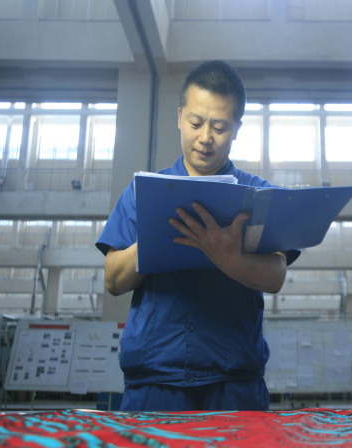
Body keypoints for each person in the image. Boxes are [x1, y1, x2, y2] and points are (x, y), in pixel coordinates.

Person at [96, 60, 301, 412]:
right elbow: (113, 280)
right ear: (179, 117)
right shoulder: (142, 193)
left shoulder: (260, 196)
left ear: (237, 128)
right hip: (155, 381)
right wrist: (157, 236)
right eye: (195, 123)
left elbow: (276, 275)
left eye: (220, 127)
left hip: (234, 382)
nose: (205, 138)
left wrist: (231, 259)